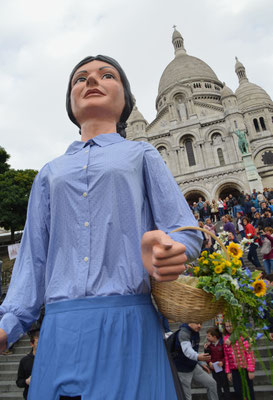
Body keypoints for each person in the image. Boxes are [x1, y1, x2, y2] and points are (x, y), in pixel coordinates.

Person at [0, 55, 202, 399]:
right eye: (80, 78)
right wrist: (7, 326)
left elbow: (185, 230)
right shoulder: (49, 173)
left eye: (107, 75)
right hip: (59, 328)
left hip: (129, 323)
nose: (92, 80)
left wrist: (167, 249)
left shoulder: (142, 155)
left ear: (125, 101)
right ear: (70, 102)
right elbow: (33, 260)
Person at [176, 322, 218, 400]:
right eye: (197, 323)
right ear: (189, 322)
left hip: (193, 366)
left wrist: (201, 363)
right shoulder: (183, 333)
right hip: (182, 369)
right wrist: (198, 357)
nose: (199, 326)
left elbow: (194, 350)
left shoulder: (196, 333)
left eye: (201, 323)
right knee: (187, 397)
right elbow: (187, 351)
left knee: (212, 383)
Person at [223, 321, 256, 400]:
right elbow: (226, 357)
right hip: (234, 370)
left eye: (231, 326)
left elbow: (249, 353)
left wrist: (251, 370)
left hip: (245, 369)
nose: (229, 328)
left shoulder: (242, 336)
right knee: (238, 391)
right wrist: (228, 372)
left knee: (249, 390)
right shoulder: (225, 339)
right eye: (227, 326)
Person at [204, 327, 230, 400]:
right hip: (214, 369)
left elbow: (226, 355)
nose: (207, 337)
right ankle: (219, 397)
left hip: (223, 368)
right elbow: (207, 356)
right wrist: (209, 363)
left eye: (209, 336)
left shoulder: (222, 344)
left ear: (214, 337)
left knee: (225, 385)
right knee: (217, 385)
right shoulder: (209, 346)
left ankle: (227, 397)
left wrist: (222, 362)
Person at [16, 328, 40, 399]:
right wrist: (26, 381)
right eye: (38, 343)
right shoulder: (24, 361)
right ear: (31, 344)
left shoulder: (49, 359)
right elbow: (19, 382)